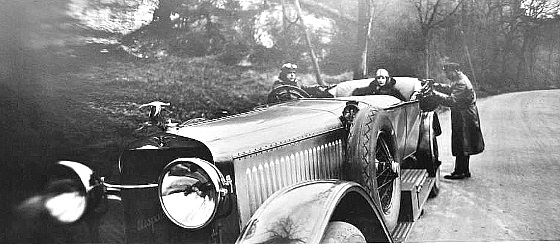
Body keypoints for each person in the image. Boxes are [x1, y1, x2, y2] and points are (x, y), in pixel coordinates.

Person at [430, 62, 485, 180]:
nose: (446, 75)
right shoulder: (459, 79)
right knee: (464, 143)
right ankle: (464, 170)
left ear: (454, 71)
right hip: (465, 115)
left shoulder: (461, 82)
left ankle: (459, 171)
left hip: (464, 116)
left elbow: (452, 100)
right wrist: (436, 85)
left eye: (447, 72)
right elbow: (450, 89)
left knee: (462, 142)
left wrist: (434, 94)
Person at [268, 63, 332, 103]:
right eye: (289, 73)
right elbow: (283, 96)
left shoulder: (297, 83)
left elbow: (306, 88)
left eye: (293, 73)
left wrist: (317, 88)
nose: (292, 75)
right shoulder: (279, 84)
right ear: (284, 74)